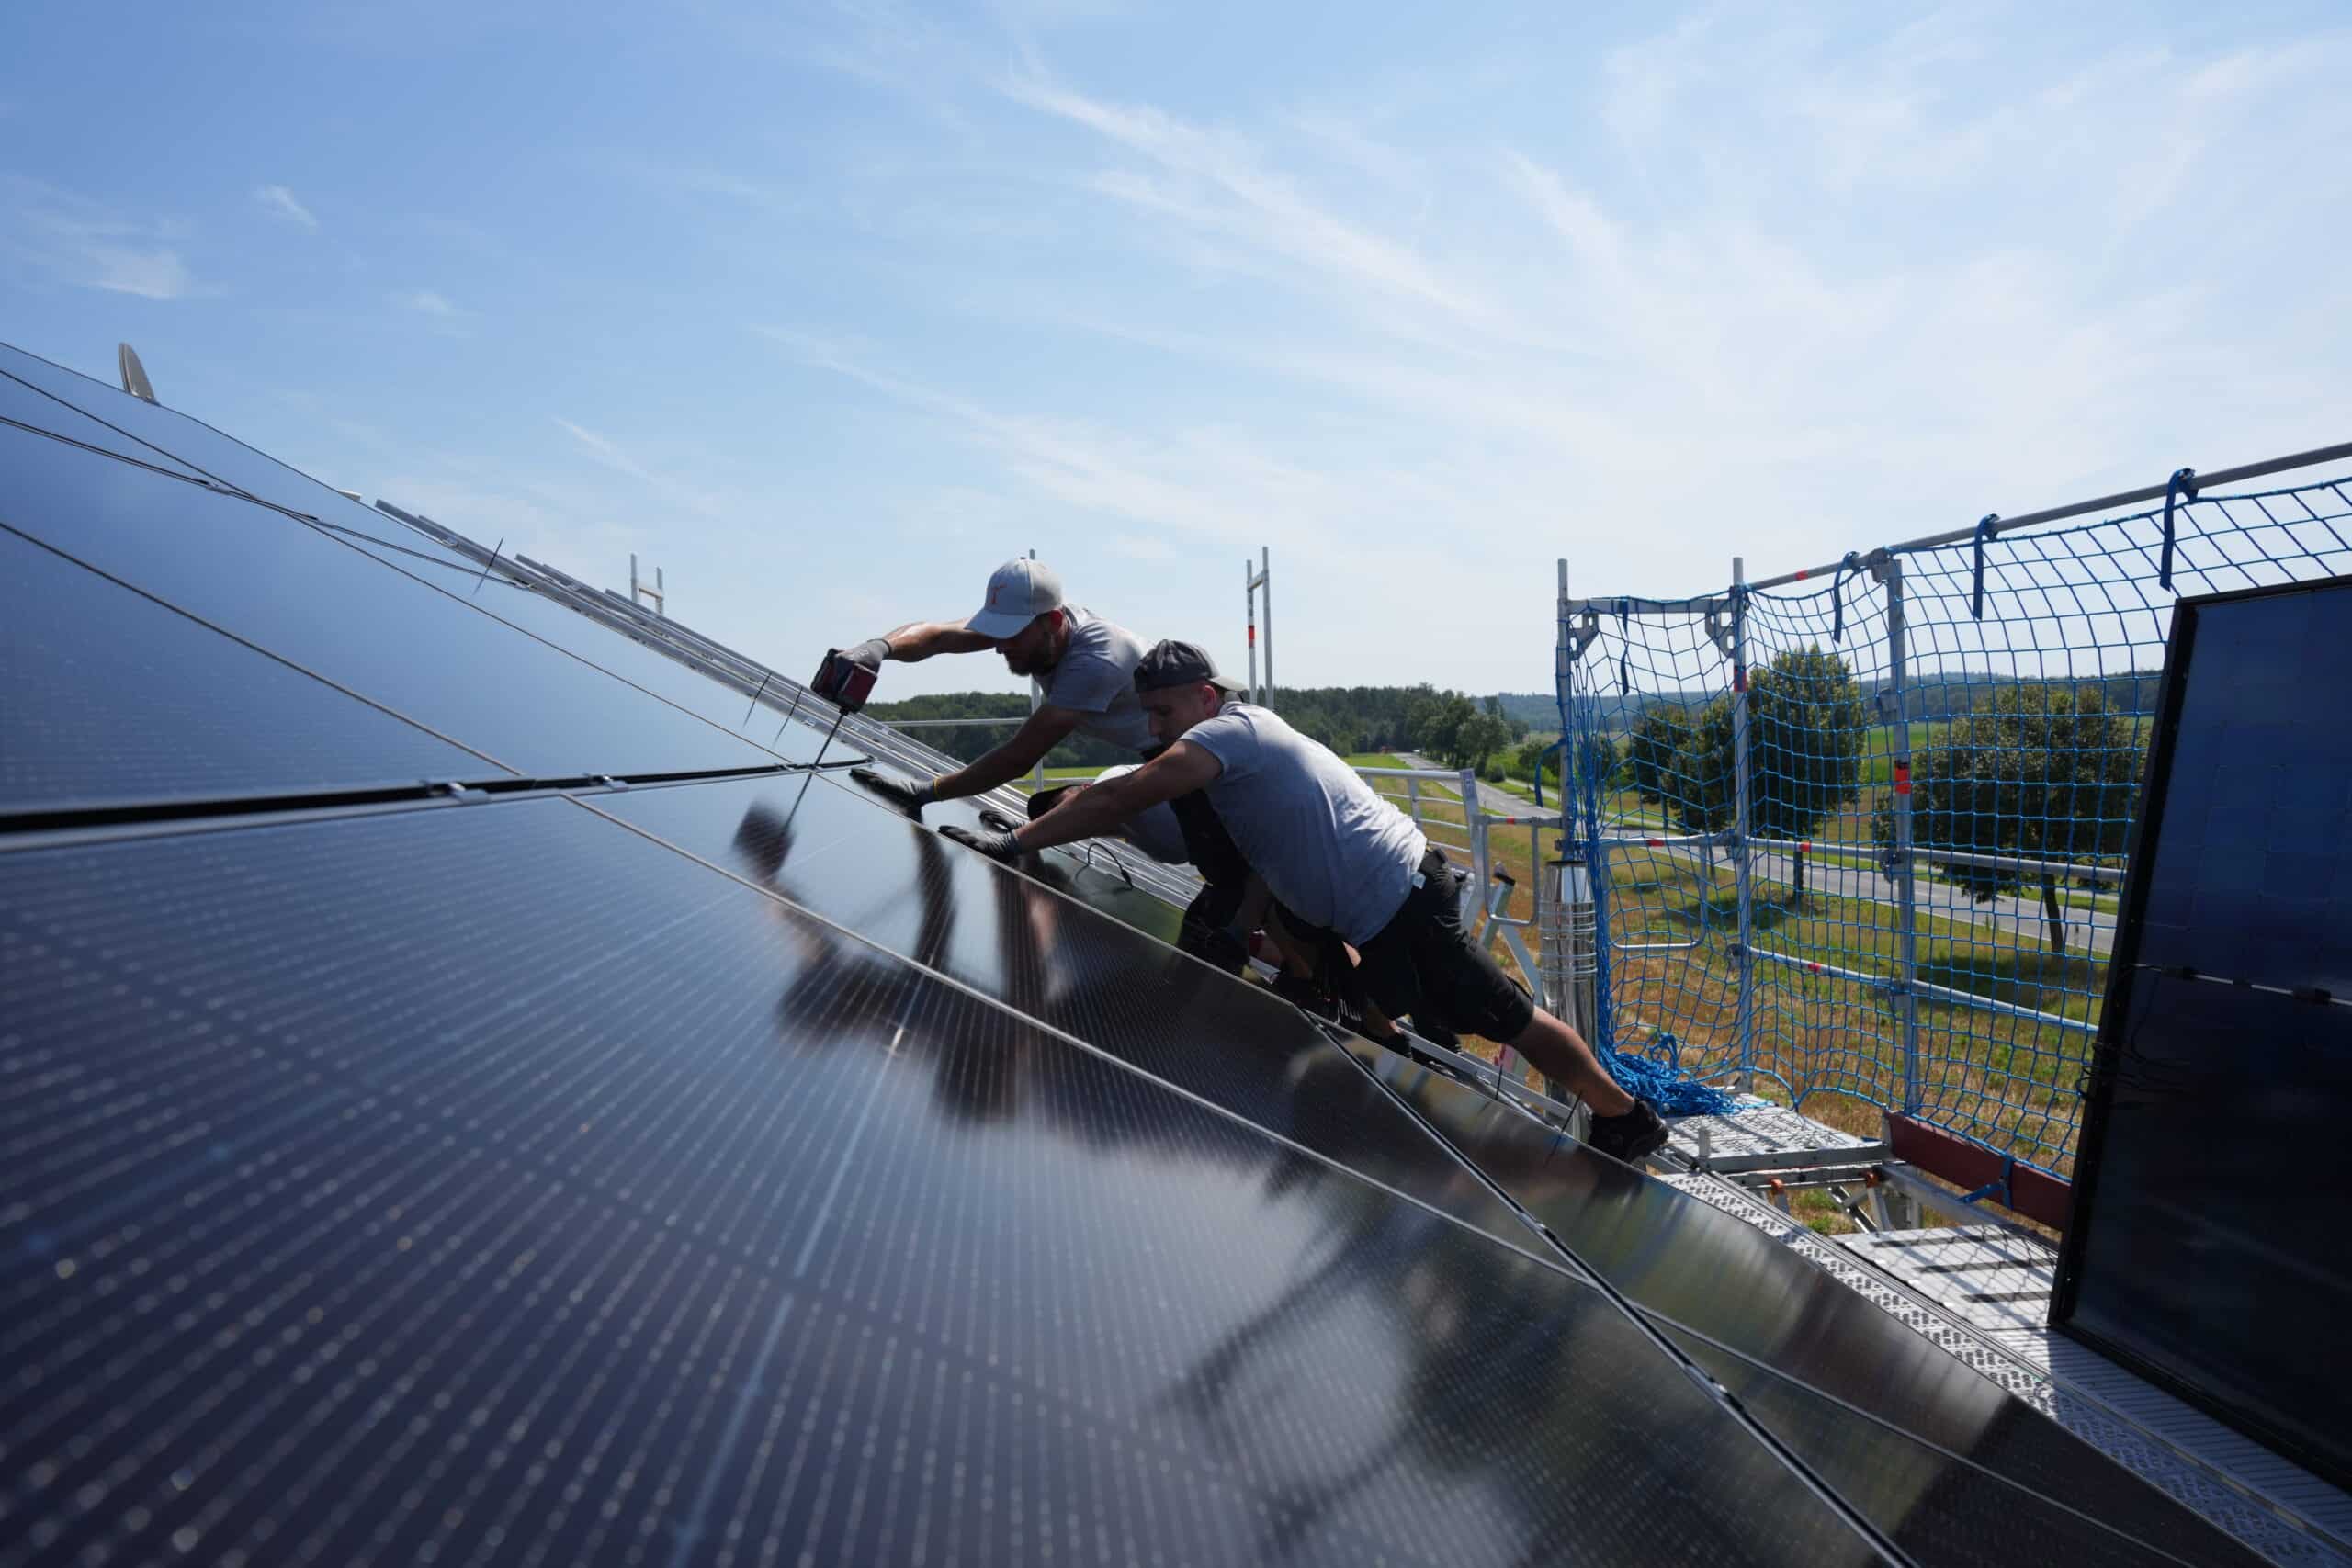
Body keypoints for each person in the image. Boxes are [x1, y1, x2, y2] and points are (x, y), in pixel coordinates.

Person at [942, 639, 1669, 1164]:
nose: (1156, 730)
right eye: (1149, 717)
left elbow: (1130, 791)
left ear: (1205, 696)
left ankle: (1625, 1120)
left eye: (1162, 712)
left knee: (1507, 1015)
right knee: (1414, 1021)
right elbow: (1263, 864)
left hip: (1405, 896)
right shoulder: (1230, 769)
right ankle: (1455, 1108)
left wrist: (1017, 844)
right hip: (1373, 915)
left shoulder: (1231, 733)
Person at [834, 558, 1153, 813]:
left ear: (1054, 623)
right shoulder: (1033, 622)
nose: (1000, 646)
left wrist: (927, 792)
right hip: (1151, 752)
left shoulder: (1095, 660)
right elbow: (941, 635)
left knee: (1074, 808)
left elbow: (1018, 757)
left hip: (1189, 759)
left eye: (1011, 635)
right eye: (997, 633)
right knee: (1048, 809)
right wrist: (878, 648)